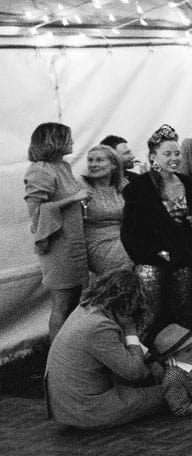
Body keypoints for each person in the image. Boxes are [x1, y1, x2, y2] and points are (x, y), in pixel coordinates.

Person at [44, 268, 167, 428]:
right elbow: (135, 372)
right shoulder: (100, 327)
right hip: (87, 409)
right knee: (169, 391)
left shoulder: (87, 309)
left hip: (67, 405)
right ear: (129, 302)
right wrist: (131, 330)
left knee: (150, 387)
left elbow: (119, 345)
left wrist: (149, 359)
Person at [122, 126, 192, 341]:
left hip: (181, 260)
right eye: (167, 154)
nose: (174, 158)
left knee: (184, 316)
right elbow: (130, 233)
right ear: (153, 157)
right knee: (150, 317)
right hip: (151, 262)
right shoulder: (139, 187)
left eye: (176, 153)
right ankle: (141, 367)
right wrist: (156, 254)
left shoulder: (187, 184)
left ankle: (188, 368)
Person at [24, 122, 90, 339]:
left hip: (73, 244)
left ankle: (71, 352)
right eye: (68, 138)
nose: (72, 142)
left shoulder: (63, 166)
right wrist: (73, 198)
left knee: (75, 303)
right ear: (54, 141)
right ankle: (56, 362)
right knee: (62, 303)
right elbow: (36, 213)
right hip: (57, 247)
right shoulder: (40, 170)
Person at [80, 144, 133, 279]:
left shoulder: (121, 186)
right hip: (97, 242)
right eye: (90, 160)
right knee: (132, 258)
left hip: (122, 238)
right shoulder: (80, 186)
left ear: (114, 165)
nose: (93, 164)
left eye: (99, 160)